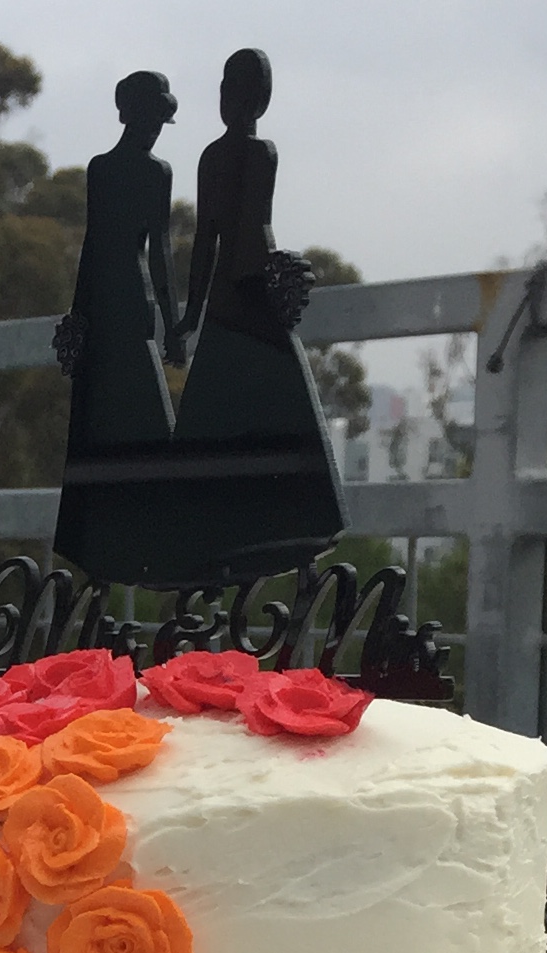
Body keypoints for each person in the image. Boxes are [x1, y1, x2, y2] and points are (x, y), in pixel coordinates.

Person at [166, 48, 345, 580]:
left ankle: (258, 532)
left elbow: (220, 239)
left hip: (240, 293)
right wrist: (192, 315)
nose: (230, 101)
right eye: (225, 89)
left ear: (257, 100)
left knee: (241, 404)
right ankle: (234, 530)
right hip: (242, 294)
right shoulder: (230, 156)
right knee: (251, 404)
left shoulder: (241, 154)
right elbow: (210, 240)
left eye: (239, 92)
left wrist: (199, 312)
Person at [50, 70, 186, 584]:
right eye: (152, 120)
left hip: (117, 301)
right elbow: (153, 255)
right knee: (131, 413)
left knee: (119, 412)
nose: (155, 131)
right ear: (133, 117)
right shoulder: (139, 172)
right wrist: (80, 317)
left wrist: (83, 313)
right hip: (120, 300)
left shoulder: (108, 169)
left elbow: (146, 254)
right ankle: (142, 534)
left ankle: (137, 534)